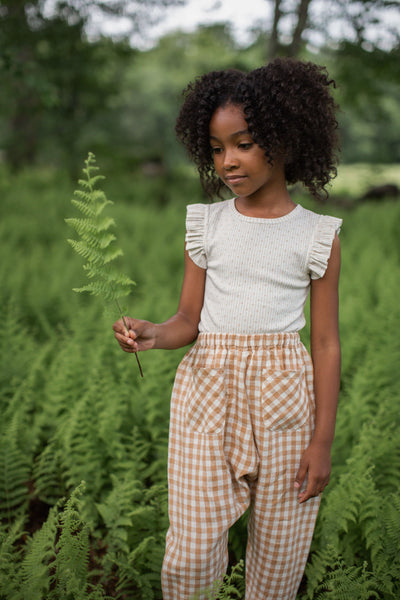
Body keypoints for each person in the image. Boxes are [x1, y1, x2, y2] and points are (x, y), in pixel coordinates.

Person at [113, 57, 342, 600]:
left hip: (285, 396)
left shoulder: (316, 235)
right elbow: (188, 320)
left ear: (284, 139)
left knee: (280, 550)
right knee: (191, 548)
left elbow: (327, 342)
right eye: (216, 149)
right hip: (206, 392)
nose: (228, 162)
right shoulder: (206, 224)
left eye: (243, 144)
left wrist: (323, 440)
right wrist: (152, 332)